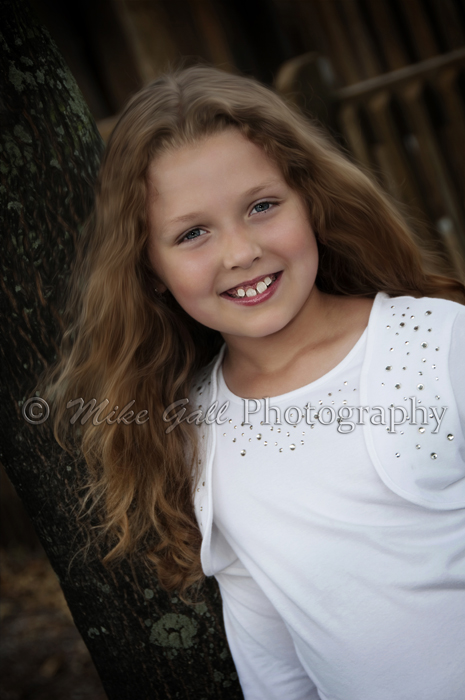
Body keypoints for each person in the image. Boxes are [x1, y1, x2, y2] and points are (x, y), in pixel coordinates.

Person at [45, 65, 465, 700]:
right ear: (150, 269)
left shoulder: (436, 345)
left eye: (262, 207)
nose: (240, 252)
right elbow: (273, 665)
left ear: (311, 200)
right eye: (192, 233)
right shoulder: (195, 433)